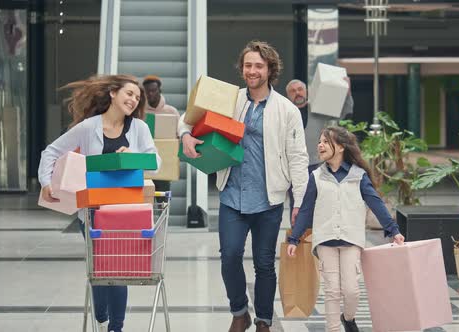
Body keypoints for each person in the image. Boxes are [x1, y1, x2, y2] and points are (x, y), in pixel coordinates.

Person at [179, 40, 309, 332]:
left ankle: (263, 320)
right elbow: (186, 118)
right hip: (232, 196)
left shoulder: (287, 110)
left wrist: (299, 202)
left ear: (270, 69)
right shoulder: (230, 99)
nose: (252, 71)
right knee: (230, 256)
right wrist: (185, 136)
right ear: (242, 68)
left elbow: (299, 159)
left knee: (264, 264)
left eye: (258, 66)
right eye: (248, 65)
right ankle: (240, 312)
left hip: (269, 200)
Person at [38, 74, 161, 332]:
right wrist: (45, 181)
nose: (133, 100)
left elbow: (156, 163)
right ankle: (102, 319)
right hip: (92, 213)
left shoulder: (140, 128)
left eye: (137, 97)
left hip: (126, 212)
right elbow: (51, 151)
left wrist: (134, 156)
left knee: (119, 273)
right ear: (113, 94)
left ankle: (116, 328)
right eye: (129, 94)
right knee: (100, 273)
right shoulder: (88, 127)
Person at [286, 126, 404, 332]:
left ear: (340, 147)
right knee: (331, 290)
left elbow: (375, 203)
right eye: (320, 141)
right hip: (325, 240)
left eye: (325, 141)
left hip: (351, 240)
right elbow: (305, 210)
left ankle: (348, 319)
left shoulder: (358, 176)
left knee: (351, 290)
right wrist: (294, 239)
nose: (320, 145)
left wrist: (393, 230)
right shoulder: (315, 176)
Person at [285, 77, 354, 215]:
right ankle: (298, 235)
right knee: (297, 204)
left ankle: (317, 235)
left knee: (320, 203)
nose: (297, 93)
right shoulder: (286, 112)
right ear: (288, 95)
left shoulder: (319, 109)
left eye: (300, 89)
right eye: (293, 91)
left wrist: (347, 92)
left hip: (318, 163)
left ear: (307, 92)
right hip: (294, 166)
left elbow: (344, 111)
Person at [143, 74, 179, 196]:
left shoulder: (171, 112)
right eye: (147, 92)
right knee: (145, 200)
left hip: (165, 165)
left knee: (162, 203)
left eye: (153, 90)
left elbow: (178, 137)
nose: (150, 94)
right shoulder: (140, 113)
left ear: (160, 90)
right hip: (145, 165)